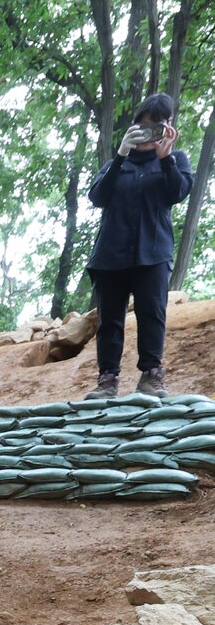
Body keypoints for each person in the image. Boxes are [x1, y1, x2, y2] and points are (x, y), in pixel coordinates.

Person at [85, 93, 194, 399]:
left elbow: (178, 192)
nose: (148, 133)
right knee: (110, 321)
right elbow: (97, 198)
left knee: (152, 313)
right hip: (110, 253)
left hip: (153, 252)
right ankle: (107, 380)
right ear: (133, 128)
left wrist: (165, 158)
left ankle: (151, 375)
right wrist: (120, 155)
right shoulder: (114, 164)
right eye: (142, 126)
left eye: (156, 127)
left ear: (167, 128)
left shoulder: (176, 161)